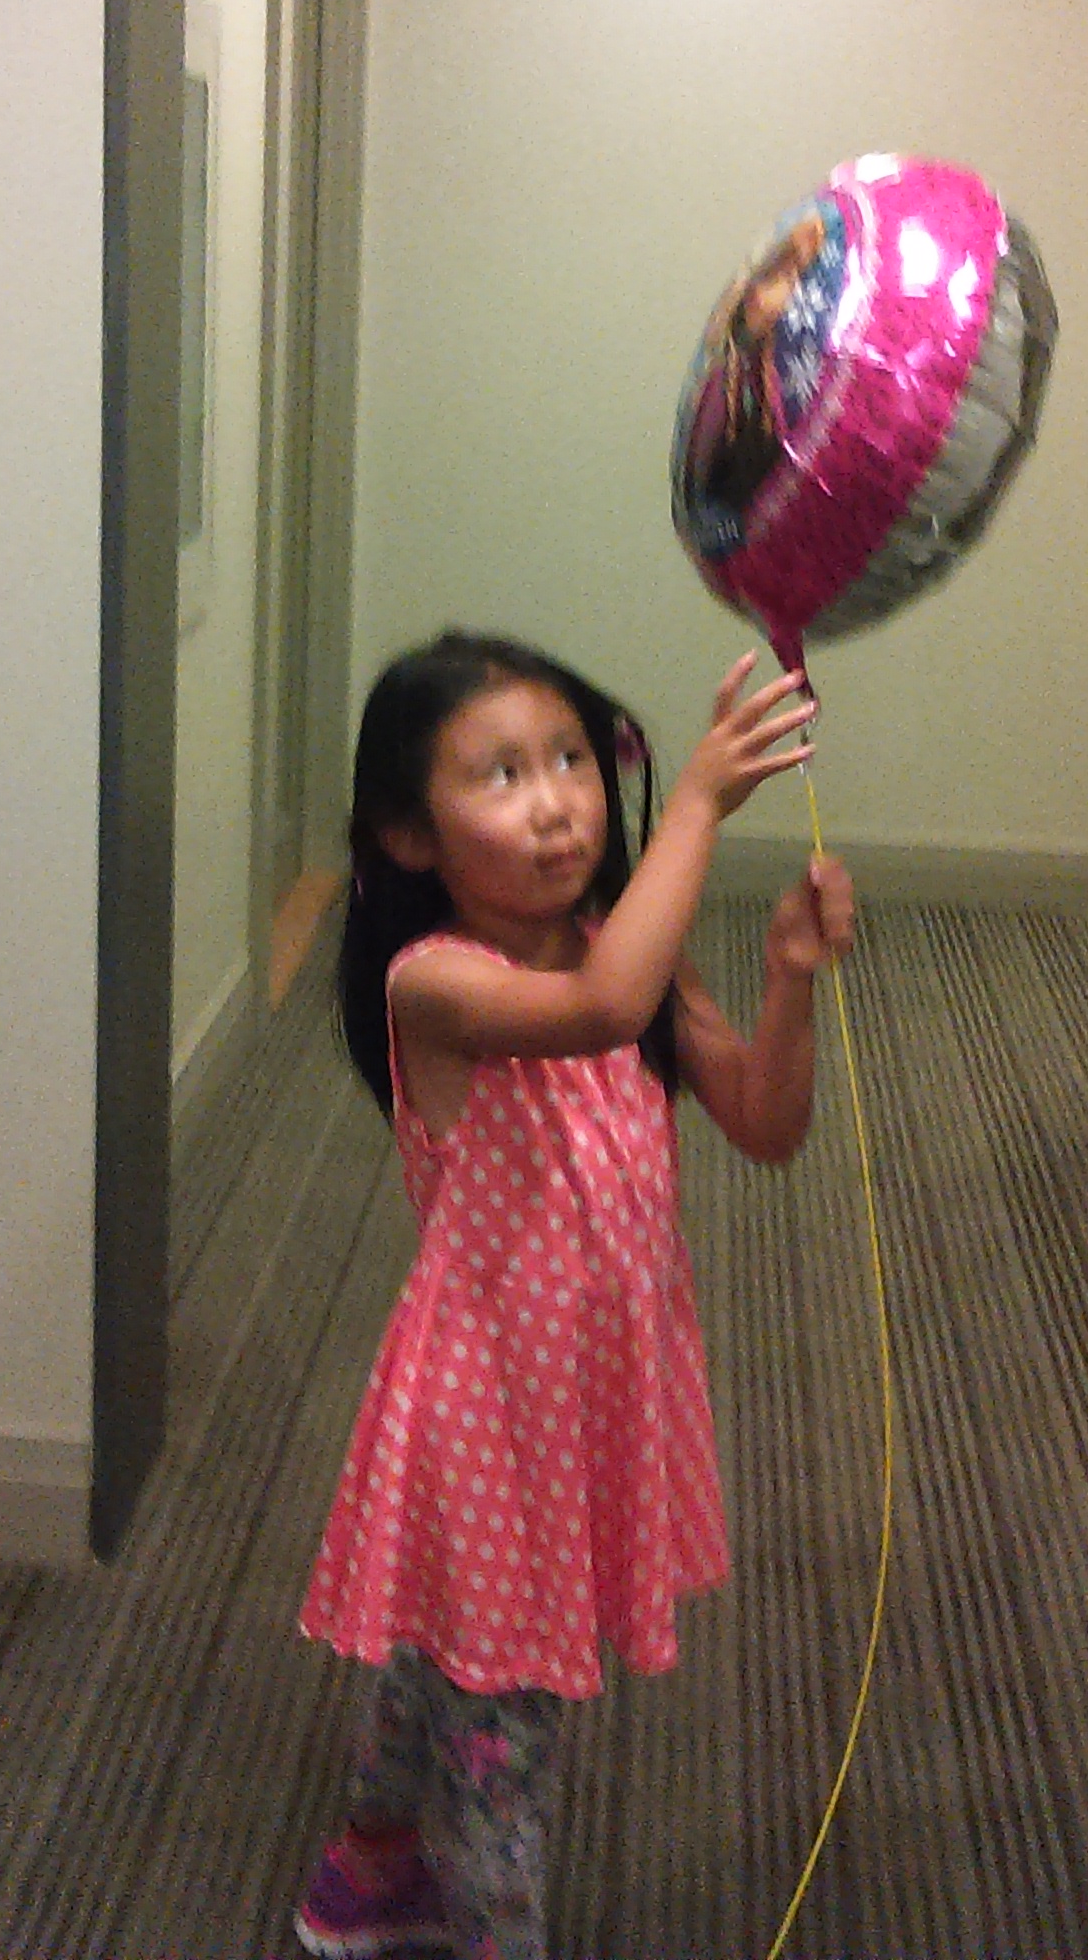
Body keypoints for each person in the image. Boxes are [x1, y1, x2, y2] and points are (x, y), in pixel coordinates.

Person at [295, 629, 854, 1960]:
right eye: (500, 776)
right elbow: (603, 1009)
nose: (555, 803)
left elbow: (766, 1123)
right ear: (411, 836)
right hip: (488, 1413)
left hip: (593, 1387)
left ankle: (367, 1867)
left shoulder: (623, 946)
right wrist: (702, 802)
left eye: (569, 760)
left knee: (447, 1654)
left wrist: (787, 978)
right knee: (510, 1733)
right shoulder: (436, 983)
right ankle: (485, 1925)